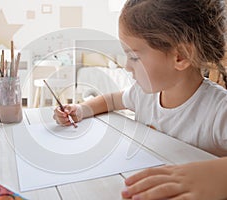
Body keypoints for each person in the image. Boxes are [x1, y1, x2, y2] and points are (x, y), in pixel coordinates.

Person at [54, 0, 227, 199]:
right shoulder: (144, 95)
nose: (127, 66)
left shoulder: (219, 110)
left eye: (134, 57)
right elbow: (111, 101)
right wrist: (81, 109)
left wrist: (218, 175)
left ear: (180, 56)